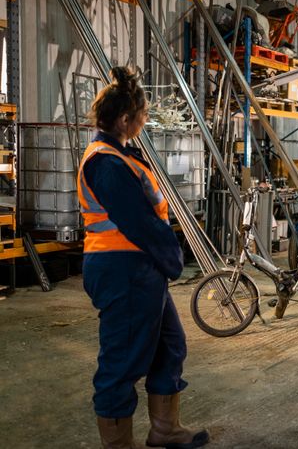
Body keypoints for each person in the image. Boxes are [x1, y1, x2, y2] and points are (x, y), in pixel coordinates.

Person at [78, 67, 208, 449]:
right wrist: (172, 258)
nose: (146, 120)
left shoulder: (121, 155)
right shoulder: (106, 162)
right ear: (124, 119)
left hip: (139, 267)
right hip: (122, 269)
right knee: (122, 360)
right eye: (143, 114)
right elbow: (139, 222)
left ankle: (164, 429)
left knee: (170, 343)